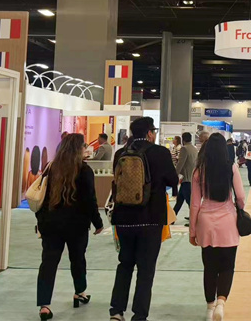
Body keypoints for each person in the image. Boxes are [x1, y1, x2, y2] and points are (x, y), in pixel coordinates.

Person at [109, 117, 179, 321]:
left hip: (123, 218)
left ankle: (116, 311)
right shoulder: (160, 153)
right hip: (150, 218)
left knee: (125, 265)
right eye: (153, 131)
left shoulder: (120, 154)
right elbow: (172, 180)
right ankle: (139, 315)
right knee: (146, 270)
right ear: (149, 133)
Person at [36, 134, 103, 321]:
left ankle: (44, 305)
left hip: (51, 224)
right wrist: (98, 223)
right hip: (77, 225)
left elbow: (42, 197)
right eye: (83, 146)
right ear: (78, 149)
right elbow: (90, 200)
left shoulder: (51, 167)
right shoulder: (84, 170)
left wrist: (41, 222)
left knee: (48, 263)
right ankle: (79, 292)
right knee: (78, 259)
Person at [189, 133, 246, 321]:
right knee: (227, 266)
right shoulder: (231, 167)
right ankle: (221, 303)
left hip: (206, 222)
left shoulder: (198, 171)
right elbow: (240, 196)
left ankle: (209, 307)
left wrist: (192, 231)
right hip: (228, 222)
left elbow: (195, 204)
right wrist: (239, 209)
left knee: (210, 267)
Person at [174, 132, 198, 219]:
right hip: (191, 177)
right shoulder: (194, 149)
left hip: (186, 178)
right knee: (180, 200)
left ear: (183, 139)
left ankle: (195, 218)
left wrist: (175, 174)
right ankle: (172, 218)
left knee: (189, 201)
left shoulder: (184, 149)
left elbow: (180, 163)